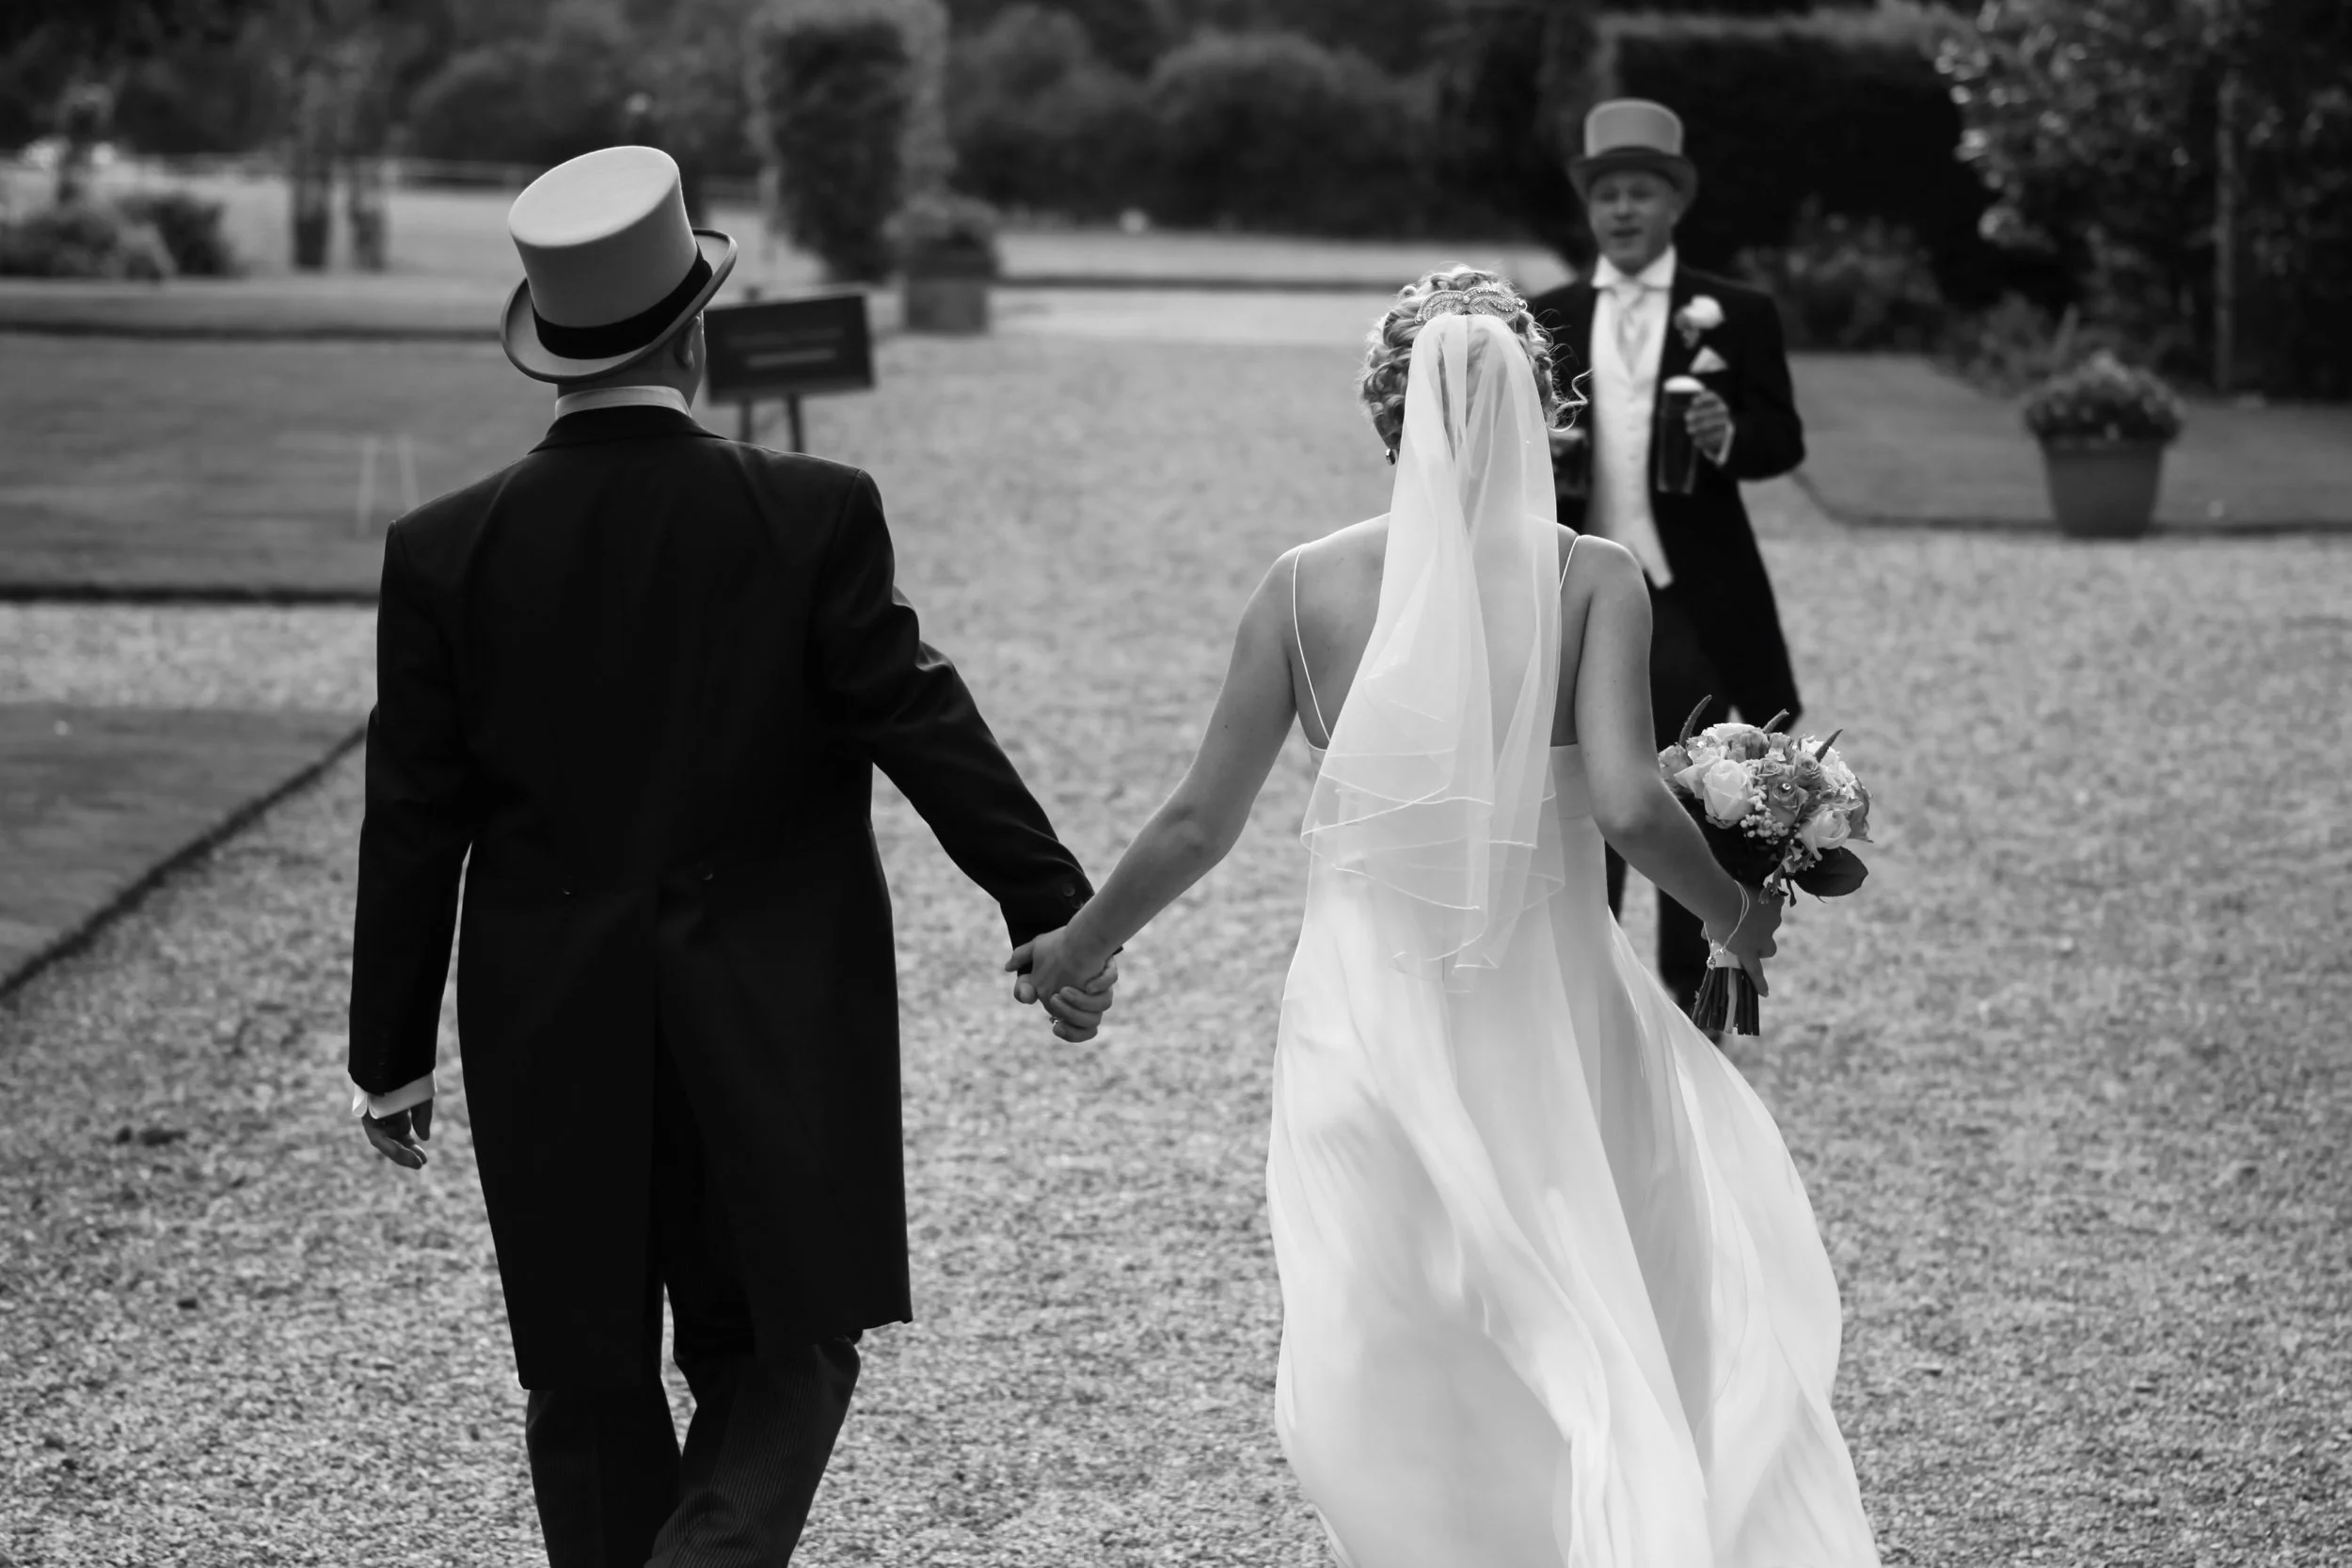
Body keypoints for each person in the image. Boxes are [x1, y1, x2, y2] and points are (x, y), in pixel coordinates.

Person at [1014, 270, 1880, 1566]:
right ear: (1546, 419)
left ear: (1384, 416)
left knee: (1399, 1314)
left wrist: (1080, 948)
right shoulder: (1594, 576)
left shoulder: (1302, 589)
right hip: (1550, 1001)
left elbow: (1200, 818)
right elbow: (1638, 809)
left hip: (1366, 1010)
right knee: (1588, 1290)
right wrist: (1736, 913)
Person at [345, 146, 1114, 1568]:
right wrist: (1051, 901)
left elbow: (412, 815)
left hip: (546, 1011)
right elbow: (917, 713)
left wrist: (389, 1047)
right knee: (787, 1339)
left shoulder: (443, 547)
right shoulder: (810, 510)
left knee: (583, 1375)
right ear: (696, 332)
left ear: (554, 349)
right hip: (773, 1003)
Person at [1526, 99, 1808, 1019]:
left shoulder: (1737, 311)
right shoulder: (1548, 315)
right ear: (1590, 206)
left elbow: (1782, 440)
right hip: (1582, 584)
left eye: (1639, 192)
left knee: (1695, 788)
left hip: (1693, 587)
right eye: (1607, 193)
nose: (1621, 209)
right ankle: (1592, 989)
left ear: (1672, 203)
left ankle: (1695, 996)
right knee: (1587, 784)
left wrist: (1729, 436)